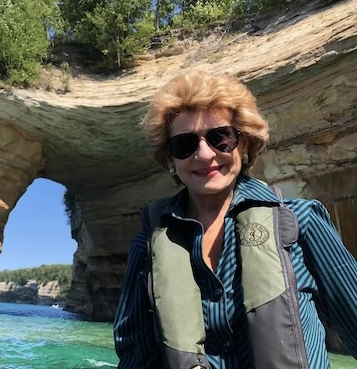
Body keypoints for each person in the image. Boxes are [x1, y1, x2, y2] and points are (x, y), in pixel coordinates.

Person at [113, 70, 357, 368]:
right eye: (184, 144)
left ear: (244, 143)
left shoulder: (300, 221)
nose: (203, 154)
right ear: (171, 158)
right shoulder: (147, 245)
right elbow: (134, 356)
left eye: (220, 138)